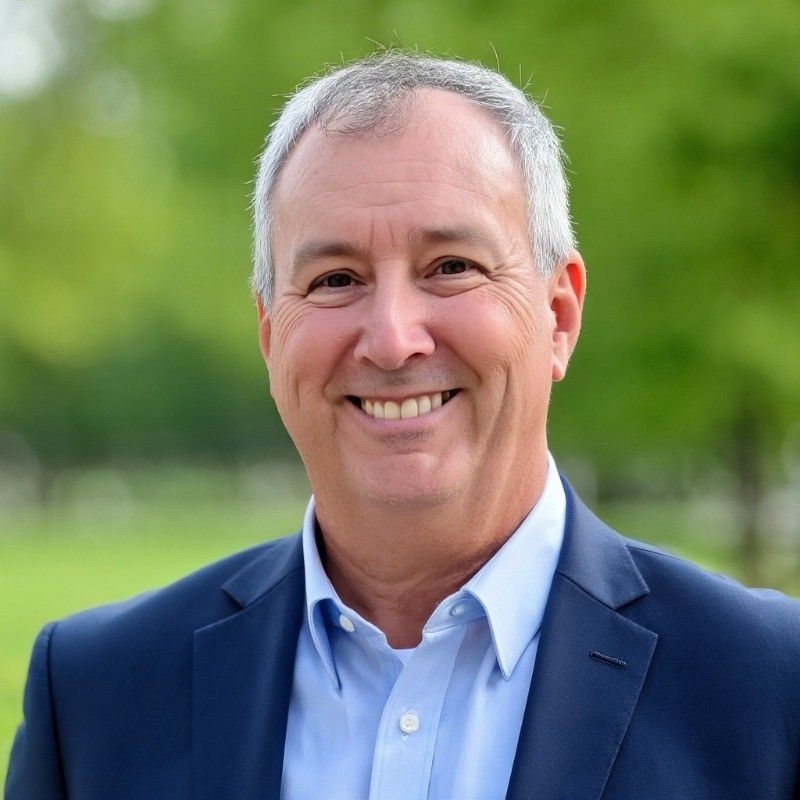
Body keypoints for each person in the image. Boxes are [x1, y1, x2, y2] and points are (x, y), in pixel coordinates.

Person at [5, 52, 800, 800]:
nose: (391, 338)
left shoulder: (772, 691)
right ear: (270, 334)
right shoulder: (94, 697)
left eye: (451, 267)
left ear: (558, 317)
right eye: (336, 278)